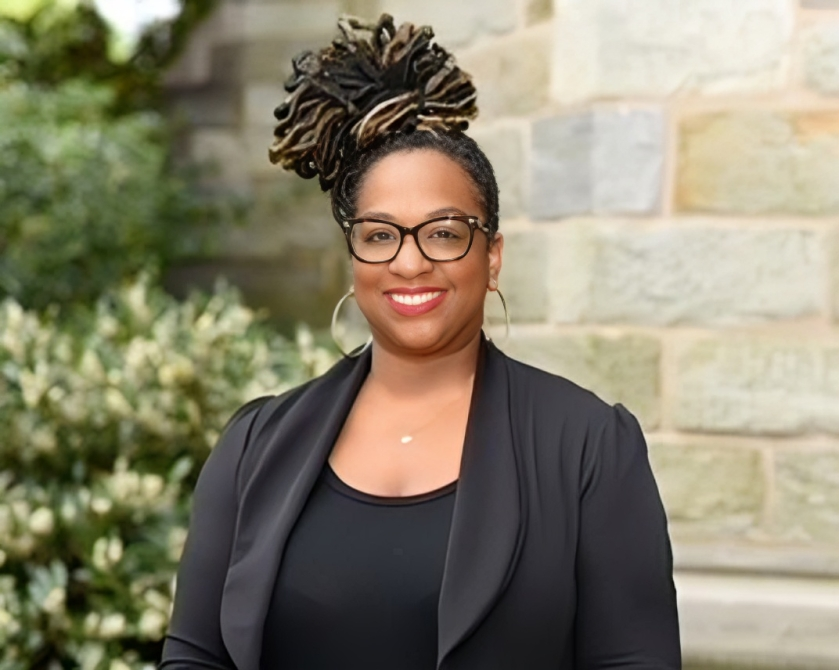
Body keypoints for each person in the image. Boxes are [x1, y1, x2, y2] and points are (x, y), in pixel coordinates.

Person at [159, 14, 680, 670]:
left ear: (491, 257)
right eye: (380, 234)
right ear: (353, 255)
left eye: (443, 232)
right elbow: (195, 657)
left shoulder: (587, 447)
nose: (409, 263)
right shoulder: (255, 446)